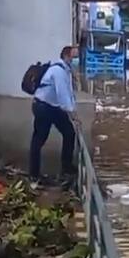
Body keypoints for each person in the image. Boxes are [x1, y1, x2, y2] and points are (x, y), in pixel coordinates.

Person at [30, 46, 79, 182]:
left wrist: (73, 110)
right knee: (39, 139)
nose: (77, 60)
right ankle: (34, 175)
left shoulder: (65, 71)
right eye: (75, 57)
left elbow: (69, 94)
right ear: (67, 56)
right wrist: (72, 113)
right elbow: (63, 95)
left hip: (52, 107)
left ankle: (66, 167)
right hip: (43, 107)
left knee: (69, 132)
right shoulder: (58, 71)